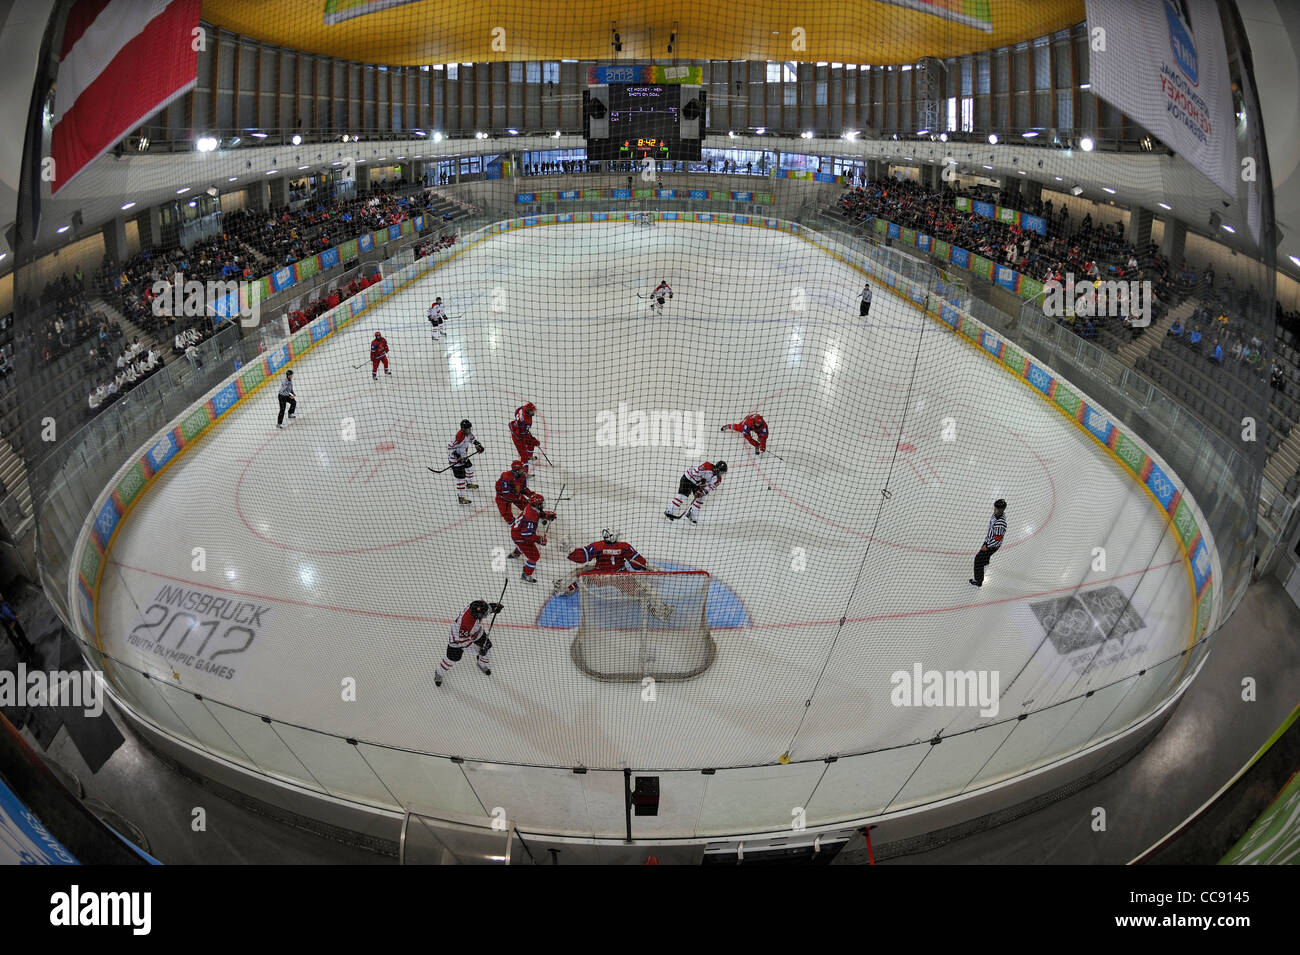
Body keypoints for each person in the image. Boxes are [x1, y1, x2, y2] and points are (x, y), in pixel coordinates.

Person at [434, 598, 504, 687]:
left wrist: (492, 608)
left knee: (488, 648)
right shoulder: (466, 624)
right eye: (484, 614)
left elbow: (483, 608)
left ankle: (481, 663)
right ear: (478, 615)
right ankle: (439, 673)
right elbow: (464, 643)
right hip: (457, 641)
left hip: (475, 632)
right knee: (452, 659)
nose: (486, 614)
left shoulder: (474, 607)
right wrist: (478, 651)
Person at [507, 492, 557, 583]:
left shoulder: (530, 507)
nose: (542, 505)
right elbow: (527, 535)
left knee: (525, 546)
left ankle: (515, 554)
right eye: (541, 504)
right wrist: (539, 539)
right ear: (537, 504)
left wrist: (546, 515)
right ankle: (526, 575)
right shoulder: (531, 517)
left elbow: (538, 513)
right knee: (534, 556)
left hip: (516, 532)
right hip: (520, 536)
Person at [970, 499, 1007, 588]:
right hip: (988, 540)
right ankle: (986, 561)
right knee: (984, 557)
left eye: (996, 509)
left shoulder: (1000, 524)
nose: (994, 510)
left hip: (992, 545)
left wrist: (987, 546)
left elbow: (997, 539)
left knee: (978, 559)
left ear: (1001, 510)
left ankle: (978, 580)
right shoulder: (996, 515)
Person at [447, 419, 484, 504]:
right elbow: (450, 448)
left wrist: (478, 446)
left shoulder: (468, 434)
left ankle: (469, 484)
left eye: (469, 428)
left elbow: (473, 440)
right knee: (461, 479)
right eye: (467, 429)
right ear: (463, 429)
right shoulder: (458, 437)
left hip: (463, 457)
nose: (469, 430)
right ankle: (461, 497)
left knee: (470, 468)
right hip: (455, 461)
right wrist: (458, 457)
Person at [0, 593, 35, 663]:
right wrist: (14, 617)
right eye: (0, 596)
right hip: (12, 623)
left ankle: (28, 648)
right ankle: (28, 651)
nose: (1, 596)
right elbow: (7, 614)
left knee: (20, 636)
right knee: (21, 635)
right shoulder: (1, 606)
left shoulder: (2, 604)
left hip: (10, 624)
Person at [509, 402, 540, 470]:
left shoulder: (522, 408)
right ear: (528, 410)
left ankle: (529, 457)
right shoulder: (527, 421)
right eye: (532, 411)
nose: (533, 412)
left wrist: (520, 423)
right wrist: (533, 439)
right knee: (524, 456)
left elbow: (516, 411)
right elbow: (524, 435)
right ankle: (524, 473)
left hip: (518, 431)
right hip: (518, 437)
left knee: (531, 444)